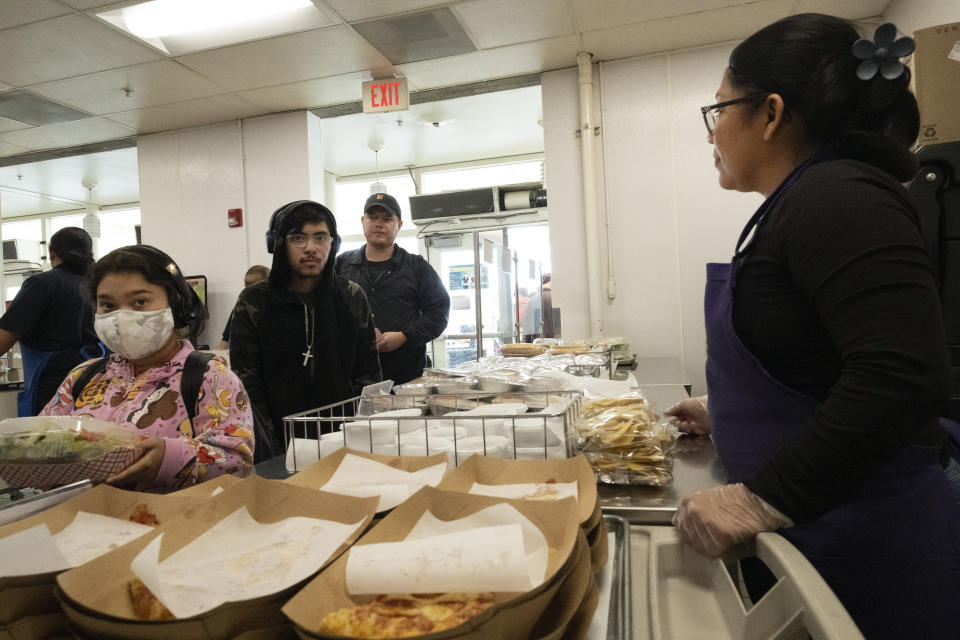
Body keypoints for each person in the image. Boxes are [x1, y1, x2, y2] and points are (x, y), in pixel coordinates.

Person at [665, 14, 960, 639]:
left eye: (720, 109)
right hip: (820, 537)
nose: (713, 132)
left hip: (873, 548)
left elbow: (901, 376)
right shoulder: (803, 202)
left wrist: (756, 498)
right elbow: (816, 361)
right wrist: (732, 413)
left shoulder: (841, 196)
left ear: (770, 114)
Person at [41, 245, 254, 492]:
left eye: (140, 301)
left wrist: (169, 459)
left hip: (177, 523)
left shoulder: (209, 376)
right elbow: (43, 439)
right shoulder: (83, 377)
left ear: (176, 306)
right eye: (108, 306)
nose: (121, 318)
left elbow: (238, 459)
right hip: (86, 521)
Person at [230, 200, 381, 457]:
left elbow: (367, 376)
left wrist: (361, 435)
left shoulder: (350, 296)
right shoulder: (254, 302)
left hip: (343, 439)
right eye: (298, 238)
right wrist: (274, 447)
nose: (311, 248)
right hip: (276, 443)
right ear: (278, 244)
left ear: (333, 243)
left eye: (321, 237)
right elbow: (247, 386)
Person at [336, 192, 449, 384]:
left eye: (387, 219)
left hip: (406, 377)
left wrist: (404, 336)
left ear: (399, 224)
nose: (379, 224)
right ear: (363, 221)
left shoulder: (417, 267)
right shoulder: (341, 265)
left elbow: (438, 314)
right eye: (372, 218)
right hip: (351, 378)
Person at [0, 227, 102, 416]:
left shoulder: (42, 283)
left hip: (52, 384)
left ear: (51, 252)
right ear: (91, 254)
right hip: (96, 377)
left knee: (48, 440)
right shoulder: (98, 285)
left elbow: (5, 336)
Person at [216, 265, 269, 350]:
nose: (246, 289)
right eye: (245, 284)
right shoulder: (240, 308)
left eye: (250, 284)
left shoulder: (276, 311)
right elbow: (225, 341)